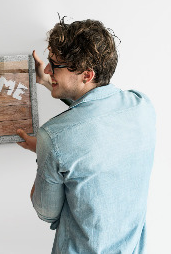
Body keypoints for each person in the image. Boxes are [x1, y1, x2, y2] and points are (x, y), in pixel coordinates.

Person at [17, 18, 156, 253]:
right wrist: (49, 82)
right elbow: (96, 112)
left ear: (87, 74)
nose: (48, 69)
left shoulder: (53, 137)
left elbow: (45, 212)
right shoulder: (142, 106)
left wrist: (44, 151)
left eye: (55, 65)